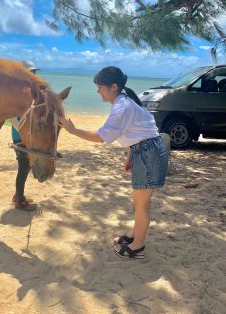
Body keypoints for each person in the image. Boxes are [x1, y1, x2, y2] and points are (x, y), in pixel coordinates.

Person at [59, 66, 168, 259]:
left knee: (142, 203)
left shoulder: (122, 106)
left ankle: (137, 247)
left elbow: (103, 137)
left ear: (114, 87)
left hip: (147, 152)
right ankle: (135, 236)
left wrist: (73, 130)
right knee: (139, 201)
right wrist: (130, 154)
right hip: (142, 150)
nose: (97, 91)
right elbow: (135, 130)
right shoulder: (124, 99)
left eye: (100, 87)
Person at [10, 59, 40, 211]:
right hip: (19, 135)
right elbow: (10, 115)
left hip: (28, 135)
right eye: (31, 72)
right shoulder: (16, 92)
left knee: (26, 165)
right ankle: (19, 201)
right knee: (24, 165)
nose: (33, 75)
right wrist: (22, 130)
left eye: (34, 72)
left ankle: (18, 195)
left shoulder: (30, 91)